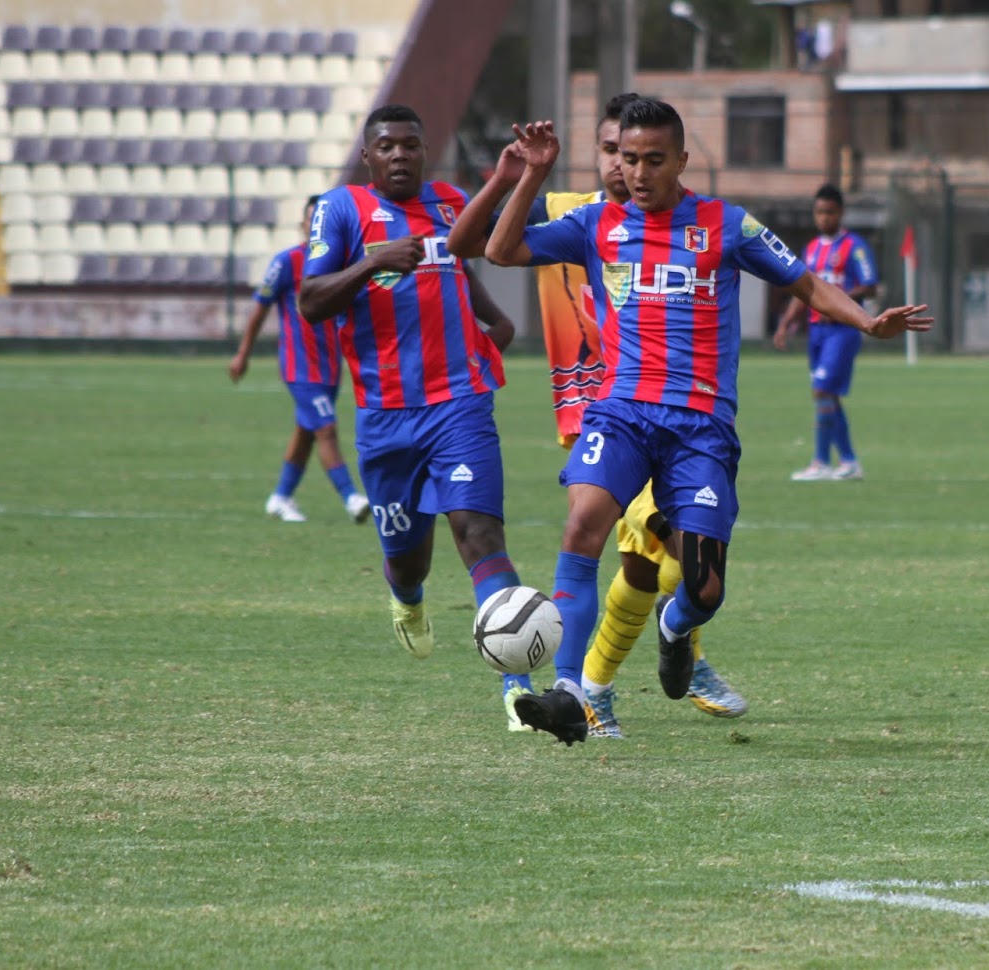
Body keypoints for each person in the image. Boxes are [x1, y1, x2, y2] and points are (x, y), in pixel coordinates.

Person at [464, 99, 932, 744]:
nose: (638, 172)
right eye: (628, 159)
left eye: (654, 160)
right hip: (622, 411)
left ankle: (675, 626)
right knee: (583, 524)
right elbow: (500, 249)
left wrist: (865, 321)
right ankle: (570, 690)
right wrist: (534, 172)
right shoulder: (596, 223)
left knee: (704, 587)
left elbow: (805, 283)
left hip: (700, 425)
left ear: (682, 160)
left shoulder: (727, 225)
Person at [298, 104, 536, 725]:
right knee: (409, 558)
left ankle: (517, 685)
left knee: (480, 534)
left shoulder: (452, 202)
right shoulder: (341, 210)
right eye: (387, 146)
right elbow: (310, 302)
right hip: (386, 418)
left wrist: (492, 317)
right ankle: (407, 600)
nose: (400, 154)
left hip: (460, 405)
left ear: (424, 152)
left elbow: (455, 265)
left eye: (411, 144)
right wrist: (372, 261)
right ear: (368, 157)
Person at [230, 195, 372, 525]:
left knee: (306, 432)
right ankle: (352, 498)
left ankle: (280, 497)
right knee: (326, 429)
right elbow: (258, 311)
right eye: (312, 220)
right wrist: (243, 354)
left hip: (330, 367)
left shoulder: (341, 263)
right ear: (303, 225)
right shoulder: (286, 262)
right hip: (300, 367)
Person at [772, 183, 879, 481]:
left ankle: (823, 462)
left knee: (823, 391)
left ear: (840, 213)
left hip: (841, 330)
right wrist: (785, 323)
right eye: (819, 212)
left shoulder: (854, 247)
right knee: (826, 396)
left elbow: (870, 284)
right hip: (816, 332)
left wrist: (838, 297)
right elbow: (803, 289)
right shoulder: (812, 249)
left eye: (829, 212)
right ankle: (847, 462)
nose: (824, 218)